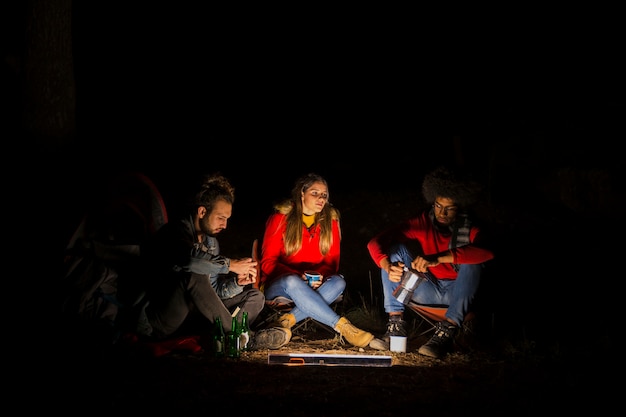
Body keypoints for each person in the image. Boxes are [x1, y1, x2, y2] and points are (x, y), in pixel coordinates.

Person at [134, 173, 291, 350]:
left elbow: (213, 292)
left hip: (195, 316)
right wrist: (231, 265)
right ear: (202, 212)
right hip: (159, 319)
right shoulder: (175, 232)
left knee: (255, 296)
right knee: (194, 275)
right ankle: (242, 337)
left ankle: (227, 336)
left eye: (227, 219)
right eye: (220, 217)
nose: (225, 225)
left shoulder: (211, 243)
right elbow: (189, 260)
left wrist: (235, 283)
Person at [367, 166, 494, 358]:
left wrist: (439, 258)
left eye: (449, 209)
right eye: (438, 206)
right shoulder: (424, 221)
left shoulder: (471, 227)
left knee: (473, 260)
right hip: (429, 290)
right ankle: (395, 325)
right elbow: (375, 242)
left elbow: (487, 252)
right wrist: (386, 265)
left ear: (460, 206)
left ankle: (446, 333)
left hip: (459, 296)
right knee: (394, 250)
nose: (442, 213)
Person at [260, 173, 386, 351]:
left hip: (314, 285)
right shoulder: (280, 218)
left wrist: (319, 276)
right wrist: (299, 277)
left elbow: (332, 265)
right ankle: (346, 329)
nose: (321, 198)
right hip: (280, 285)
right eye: (315, 193)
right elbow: (268, 263)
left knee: (339, 281)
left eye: (324, 195)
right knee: (292, 281)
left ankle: (285, 321)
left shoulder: (330, 221)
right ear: (302, 193)